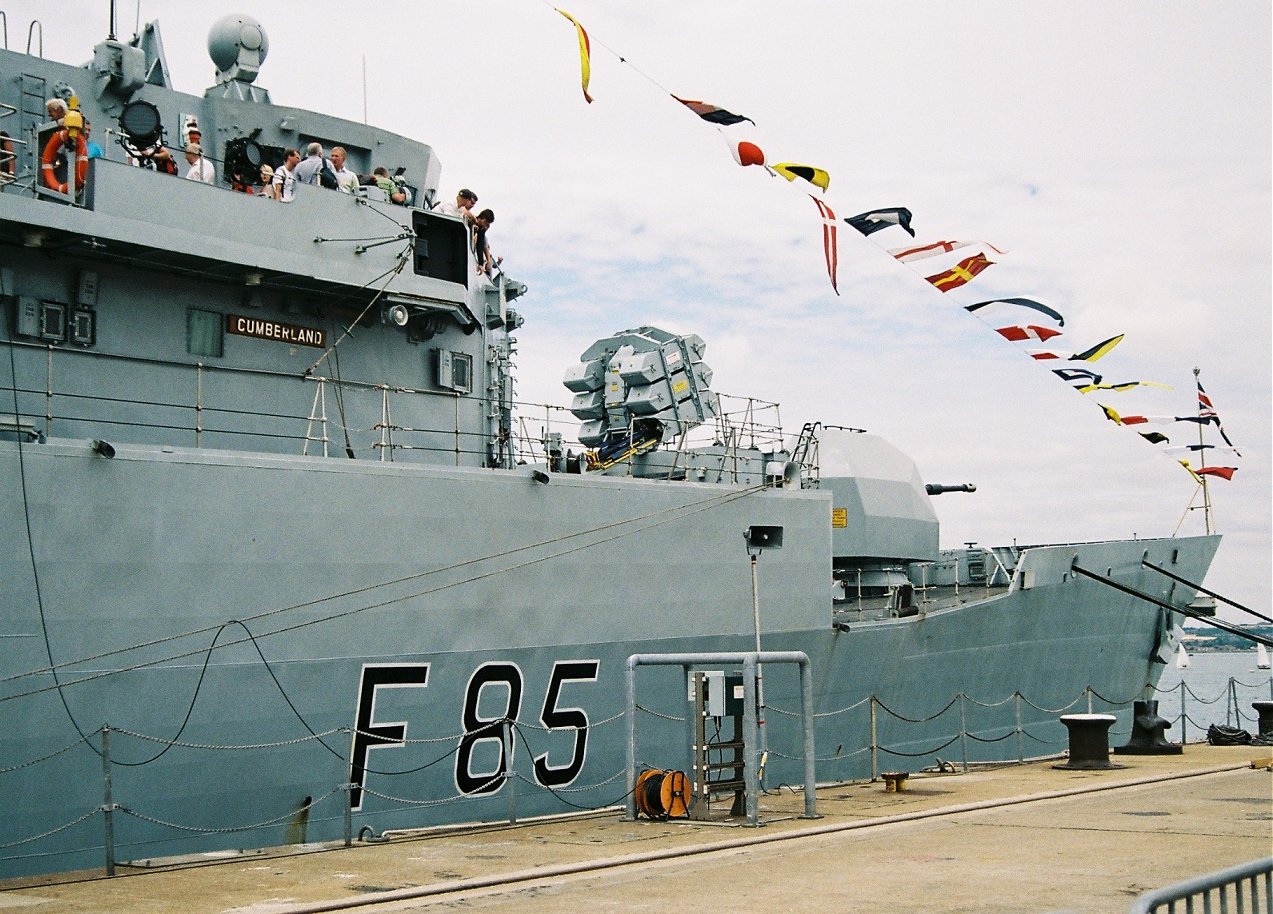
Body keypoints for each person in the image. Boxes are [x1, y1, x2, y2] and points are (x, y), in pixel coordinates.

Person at [472, 208, 501, 275]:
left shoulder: (482, 230)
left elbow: (481, 245)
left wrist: (485, 262)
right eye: (487, 223)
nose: (487, 226)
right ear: (483, 219)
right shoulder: (473, 221)